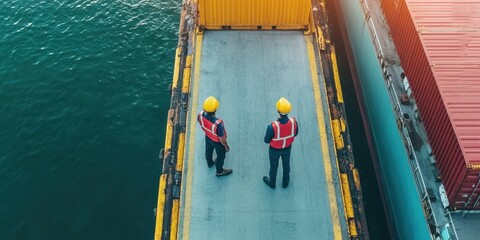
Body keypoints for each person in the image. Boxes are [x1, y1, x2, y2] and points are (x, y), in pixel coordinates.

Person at [263, 97, 298, 188]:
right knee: (286, 165)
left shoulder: (273, 126)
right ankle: (285, 182)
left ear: (278, 111)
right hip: (287, 148)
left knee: (273, 166)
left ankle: (272, 182)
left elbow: (266, 140)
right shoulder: (294, 122)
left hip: (274, 150)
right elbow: (295, 133)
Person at [197, 96, 232, 177]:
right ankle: (219, 171)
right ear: (215, 109)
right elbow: (222, 139)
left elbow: (202, 124)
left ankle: (210, 163)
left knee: (208, 150)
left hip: (208, 136)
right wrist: (226, 146)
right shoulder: (218, 124)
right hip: (217, 142)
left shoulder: (200, 115)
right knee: (221, 156)